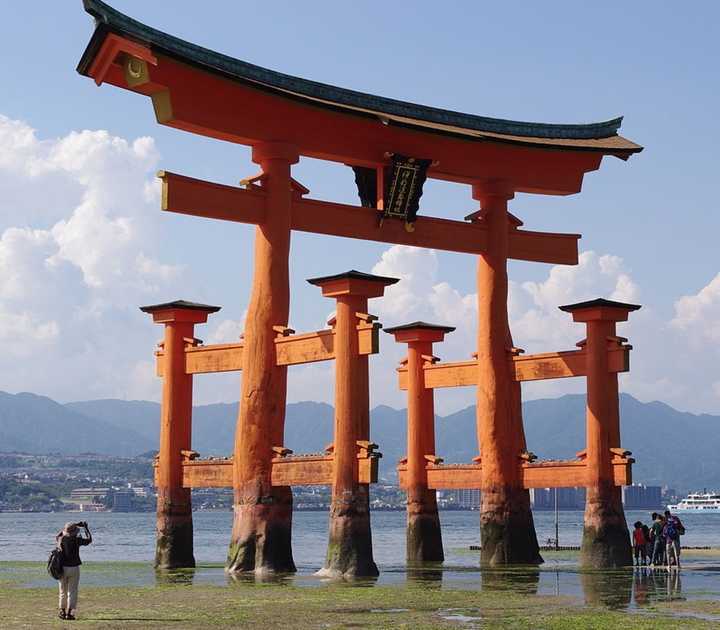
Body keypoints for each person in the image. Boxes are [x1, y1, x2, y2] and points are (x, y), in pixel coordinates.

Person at [55, 521, 92, 620]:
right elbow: (89, 540)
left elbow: (57, 535)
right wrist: (85, 528)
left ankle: (62, 612)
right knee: (72, 591)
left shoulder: (60, 539)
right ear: (75, 532)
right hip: (74, 568)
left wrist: (69, 527)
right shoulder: (76, 540)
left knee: (62, 591)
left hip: (62, 568)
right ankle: (69, 613)